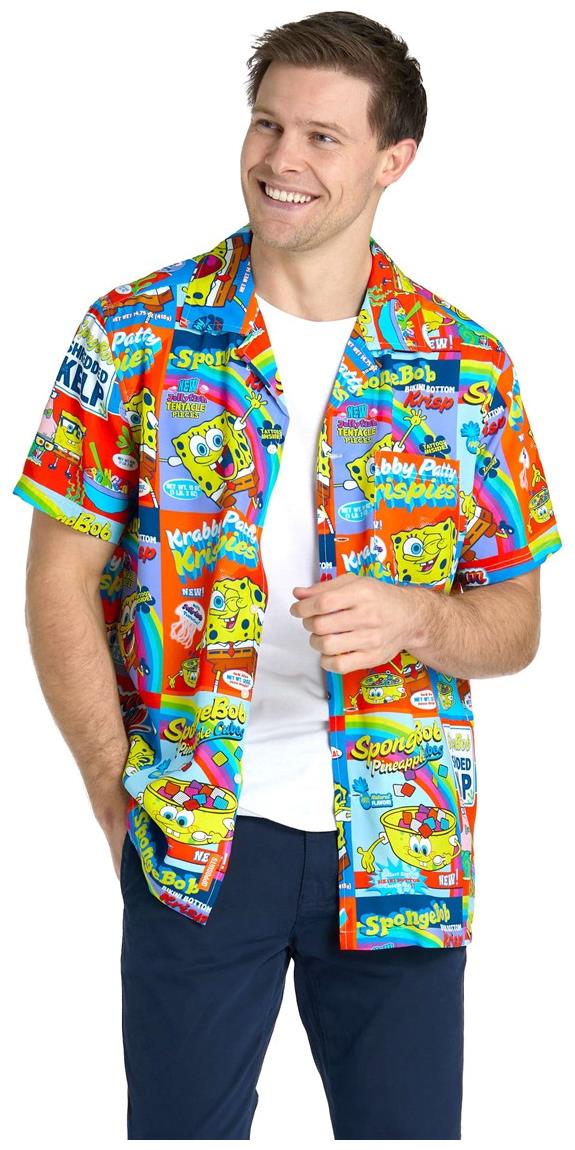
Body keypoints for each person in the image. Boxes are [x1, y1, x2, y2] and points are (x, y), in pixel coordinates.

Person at [12, 9, 562, 1141]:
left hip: (400, 841)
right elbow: (58, 577)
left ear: (392, 160)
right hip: (197, 830)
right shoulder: (135, 333)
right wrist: (117, 791)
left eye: (321, 136)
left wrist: (419, 618)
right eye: (267, 125)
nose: (281, 159)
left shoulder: (463, 366)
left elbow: (516, 622)